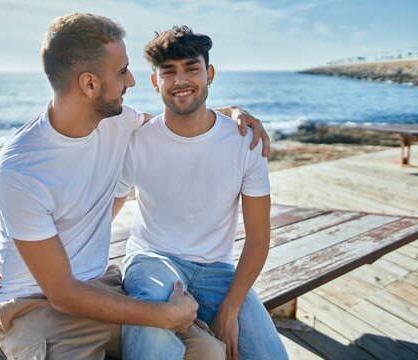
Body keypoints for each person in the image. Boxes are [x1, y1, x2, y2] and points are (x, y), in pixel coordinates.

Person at [0, 12, 270, 360]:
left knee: (211, 353)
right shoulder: (21, 169)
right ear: (90, 85)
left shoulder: (118, 122)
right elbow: (61, 293)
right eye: (122, 71)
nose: (132, 81)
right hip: (39, 308)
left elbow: (183, 123)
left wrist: (232, 112)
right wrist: (163, 315)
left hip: (102, 289)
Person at [114, 26, 289, 360]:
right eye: (168, 72)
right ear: (155, 82)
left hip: (217, 271)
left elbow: (257, 237)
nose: (180, 80)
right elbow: (107, 207)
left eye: (191, 68)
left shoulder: (245, 142)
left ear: (209, 74)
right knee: (154, 336)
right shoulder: (138, 141)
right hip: (153, 259)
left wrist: (230, 308)